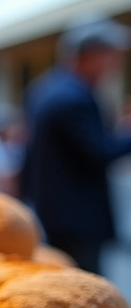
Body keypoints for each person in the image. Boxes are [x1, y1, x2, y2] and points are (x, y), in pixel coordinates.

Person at [20, 15, 131, 273]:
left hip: (54, 212)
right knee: (83, 296)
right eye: (111, 55)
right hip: (76, 220)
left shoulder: (48, 87)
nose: (114, 64)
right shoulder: (74, 97)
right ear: (90, 55)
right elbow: (99, 152)